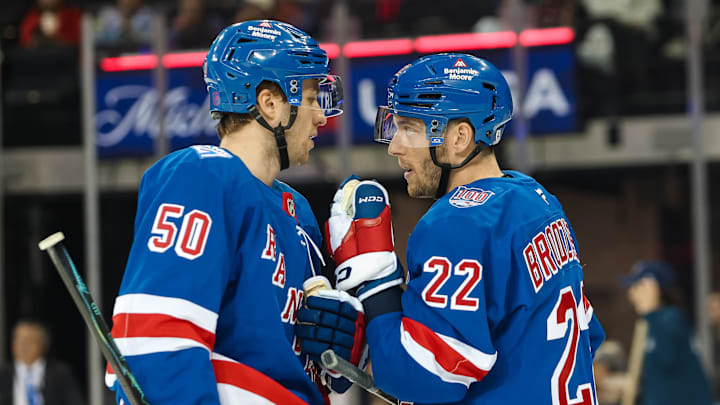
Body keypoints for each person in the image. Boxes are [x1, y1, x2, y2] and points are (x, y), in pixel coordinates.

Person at [296, 53, 605, 404]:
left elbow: (424, 378)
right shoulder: (538, 202)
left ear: (459, 137)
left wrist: (375, 281)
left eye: (410, 129)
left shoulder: (456, 222)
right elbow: (588, 336)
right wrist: (378, 338)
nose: (395, 146)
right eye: (394, 127)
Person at [105, 20, 351, 404]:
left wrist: (337, 346)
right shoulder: (200, 176)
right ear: (270, 103)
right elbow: (156, 341)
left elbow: (297, 364)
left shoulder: (296, 211)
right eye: (311, 96)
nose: (321, 116)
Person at [622, 260, 712, 405]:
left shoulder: (670, 318)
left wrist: (649, 311)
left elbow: (668, 357)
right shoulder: (650, 322)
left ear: (655, 289)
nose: (631, 294)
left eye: (638, 287)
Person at [0, 319, 84, 405]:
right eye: (18, 340)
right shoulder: (3, 374)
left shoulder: (60, 373)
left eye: (29, 340)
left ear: (44, 344)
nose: (23, 345)